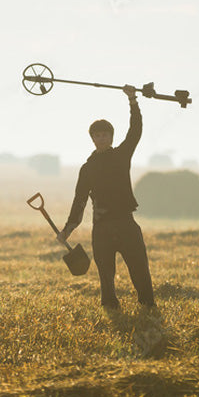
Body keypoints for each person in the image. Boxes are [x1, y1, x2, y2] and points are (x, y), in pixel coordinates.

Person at [58, 84, 155, 310]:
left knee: (140, 269)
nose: (102, 138)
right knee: (105, 275)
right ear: (92, 138)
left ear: (112, 137)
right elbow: (79, 202)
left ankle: (148, 306)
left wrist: (133, 101)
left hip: (126, 224)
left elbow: (136, 130)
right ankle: (111, 309)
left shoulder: (121, 155)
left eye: (105, 135)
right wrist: (67, 230)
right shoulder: (87, 168)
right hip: (101, 228)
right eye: (97, 135)